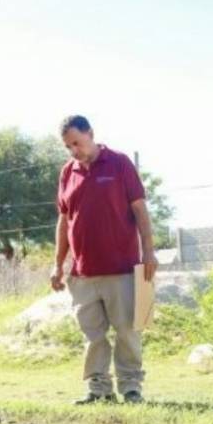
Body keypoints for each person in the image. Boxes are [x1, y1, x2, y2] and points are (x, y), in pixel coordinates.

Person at [50, 115, 158, 405]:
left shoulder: (119, 163)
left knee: (127, 330)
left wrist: (149, 251)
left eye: (77, 142)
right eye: (68, 146)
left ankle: (131, 388)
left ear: (91, 134)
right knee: (93, 335)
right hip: (83, 273)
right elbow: (64, 221)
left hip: (121, 268)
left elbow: (140, 211)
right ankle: (99, 390)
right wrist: (58, 264)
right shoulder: (67, 173)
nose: (74, 150)